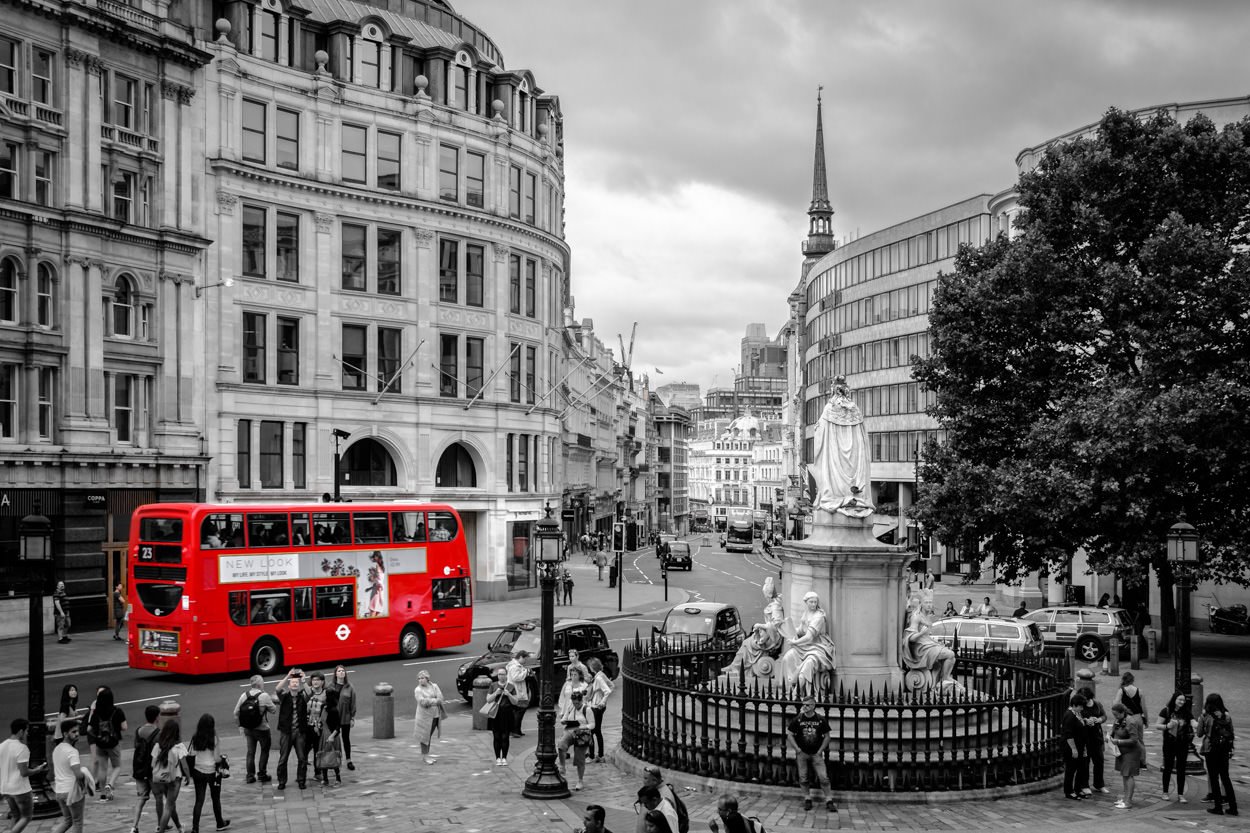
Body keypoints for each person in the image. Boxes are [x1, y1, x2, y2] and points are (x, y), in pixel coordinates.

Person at [811, 375, 872, 517]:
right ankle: (853, 497)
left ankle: (837, 496)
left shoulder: (829, 409)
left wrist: (817, 429)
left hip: (835, 455)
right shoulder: (855, 410)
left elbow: (820, 434)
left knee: (831, 474)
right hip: (855, 461)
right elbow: (863, 438)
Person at [130, 705, 176, 833]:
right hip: (152, 770)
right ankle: (160, 824)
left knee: (140, 799)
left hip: (139, 769)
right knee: (159, 797)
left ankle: (134, 826)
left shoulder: (138, 731)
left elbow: (136, 747)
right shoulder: (159, 733)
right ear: (157, 717)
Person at [780, 591, 837, 696]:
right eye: (811, 602)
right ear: (806, 602)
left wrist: (795, 642)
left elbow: (809, 637)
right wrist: (786, 628)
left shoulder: (819, 616)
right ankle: (790, 685)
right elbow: (801, 631)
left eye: (815, 602)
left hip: (819, 647)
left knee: (809, 663)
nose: (813, 604)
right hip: (806, 646)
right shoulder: (806, 614)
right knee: (788, 657)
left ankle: (796, 692)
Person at [787, 695, 836, 812]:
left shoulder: (820, 719)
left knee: (823, 778)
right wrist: (797, 749)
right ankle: (807, 798)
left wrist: (820, 751)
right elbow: (789, 734)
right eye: (803, 705)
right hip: (802, 753)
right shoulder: (798, 719)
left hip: (816, 753)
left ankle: (829, 800)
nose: (805, 707)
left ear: (813, 706)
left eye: (807, 705)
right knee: (803, 778)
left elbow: (827, 736)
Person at [2, 718, 47, 833]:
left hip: (5, 788)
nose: (27, 733)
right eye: (26, 731)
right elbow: (24, 772)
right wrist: (37, 770)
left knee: (16, 815)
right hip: (20, 789)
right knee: (26, 816)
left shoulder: (1, 746)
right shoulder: (22, 748)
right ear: (21, 731)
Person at [901, 594, 956, 688]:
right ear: (921, 604)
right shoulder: (916, 617)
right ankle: (945, 678)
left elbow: (926, 636)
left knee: (951, 657)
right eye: (926, 602)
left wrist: (934, 642)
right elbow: (910, 638)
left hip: (927, 644)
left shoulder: (926, 616)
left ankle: (941, 680)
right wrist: (921, 633)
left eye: (930, 602)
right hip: (920, 649)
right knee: (950, 654)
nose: (929, 605)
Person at [186, 713, 229, 832]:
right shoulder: (213, 737)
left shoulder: (195, 737)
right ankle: (219, 823)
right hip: (212, 772)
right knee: (215, 799)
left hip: (198, 771)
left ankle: (195, 828)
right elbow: (216, 759)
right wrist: (223, 758)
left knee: (199, 800)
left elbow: (191, 754)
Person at [1196, 692, 1237, 816]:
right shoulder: (1226, 715)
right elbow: (1231, 732)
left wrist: (1200, 722)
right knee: (1226, 777)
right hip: (1224, 749)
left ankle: (1218, 807)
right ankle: (1233, 807)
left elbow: (1199, 733)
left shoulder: (1205, 716)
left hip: (1211, 749)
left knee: (1214, 778)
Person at [233, 675, 275, 784]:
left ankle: (250, 776)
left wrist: (240, 727)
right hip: (262, 729)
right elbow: (273, 710)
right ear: (260, 684)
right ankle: (262, 774)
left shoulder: (244, 695)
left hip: (248, 729)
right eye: (263, 681)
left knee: (250, 752)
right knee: (264, 751)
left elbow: (236, 713)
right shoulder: (264, 695)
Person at [86, 684, 126, 801]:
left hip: (100, 744)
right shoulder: (117, 711)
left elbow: (89, 729)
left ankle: (103, 794)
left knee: (103, 768)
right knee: (117, 766)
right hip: (114, 742)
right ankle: (111, 785)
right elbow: (124, 727)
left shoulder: (96, 713)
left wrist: (97, 736)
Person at [50, 720, 90, 833]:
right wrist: (85, 775)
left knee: (68, 821)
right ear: (65, 734)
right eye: (73, 732)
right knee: (77, 822)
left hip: (59, 791)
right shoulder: (72, 751)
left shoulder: (56, 749)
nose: (77, 734)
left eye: (77, 731)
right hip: (72, 791)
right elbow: (78, 774)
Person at [148, 718, 187, 833]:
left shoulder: (158, 745)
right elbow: (184, 766)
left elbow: (152, 764)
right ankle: (161, 830)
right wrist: (188, 777)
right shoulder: (179, 746)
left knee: (170, 805)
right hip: (174, 779)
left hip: (160, 779)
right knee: (169, 806)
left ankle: (179, 826)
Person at [1156, 690, 1194, 802]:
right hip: (1169, 744)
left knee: (1181, 769)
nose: (1182, 702)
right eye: (1179, 699)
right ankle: (1165, 792)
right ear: (1174, 699)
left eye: (1183, 700)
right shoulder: (1166, 711)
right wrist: (1167, 726)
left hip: (1183, 744)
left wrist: (1198, 724)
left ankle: (1181, 794)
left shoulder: (1186, 712)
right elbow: (1158, 725)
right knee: (1167, 767)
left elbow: (1193, 722)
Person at [274, 669, 309, 791]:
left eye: (296, 682)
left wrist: (303, 680)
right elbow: (277, 689)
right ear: (289, 686)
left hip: (299, 732)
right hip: (286, 732)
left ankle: (301, 780)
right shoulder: (284, 697)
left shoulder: (302, 697)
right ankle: (282, 781)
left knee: (302, 758)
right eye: (292, 682)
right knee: (283, 758)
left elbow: (309, 693)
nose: (295, 684)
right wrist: (287, 675)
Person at [556, 689, 594, 791]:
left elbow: (592, 725)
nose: (575, 705)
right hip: (570, 731)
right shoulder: (571, 707)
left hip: (582, 735)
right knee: (561, 745)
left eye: (577, 703)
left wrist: (581, 727)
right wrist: (564, 721)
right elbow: (564, 718)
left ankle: (580, 780)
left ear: (581, 701)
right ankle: (562, 767)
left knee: (579, 759)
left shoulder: (587, 709)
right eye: (574, 703)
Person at [1108, 702, 1143, 809]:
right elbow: (1113, 732)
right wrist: (1109, 736)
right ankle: (1125, 798)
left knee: (1129, 775)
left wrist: (1118, 741)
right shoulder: (1118, 720)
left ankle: (1128, 802)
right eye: (1114, 715)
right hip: (1122, 752)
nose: (1115, 717)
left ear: (1122, 712)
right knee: (1124, 775)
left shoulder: (1130, 721)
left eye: (1116, 715)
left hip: (1131, 752)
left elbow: (1134, 739)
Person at [310, 681, 342, 786]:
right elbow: (321, 720)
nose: (323, 696)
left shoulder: (333, 710)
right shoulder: (324, 707)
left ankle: (338, 778)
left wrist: (332, 736)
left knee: (332, 755)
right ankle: (325, 778)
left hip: (331, 736)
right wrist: (317, 727)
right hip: (324, 734)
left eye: (326, 695)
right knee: (323, 755)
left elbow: (338, 726)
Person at [1079, 686, 1109, 795]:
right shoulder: (1080, 705)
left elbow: (1104, 716)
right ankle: (1084, 785)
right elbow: (1076, 718)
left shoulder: (1097, 704)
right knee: (1085, 762)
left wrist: (1098, 720)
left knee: (1099, 761)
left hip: (1096, 736)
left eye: (1086, 699)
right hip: (1085, 737)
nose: (1085, 701)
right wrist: (1085, 721)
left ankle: (1099, 784)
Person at [327, 665, 357, 771]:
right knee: (333, 738)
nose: (341, 673)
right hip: (333, 718)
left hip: (345, 717)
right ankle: (333, 759)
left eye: (343, 671)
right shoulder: (330, 686)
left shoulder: (349, 687)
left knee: (345, 739)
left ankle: (349, 760)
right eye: (339, 671)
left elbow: (353, 703)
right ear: (335, 674)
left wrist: (352, 718)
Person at [485, 668, 517, 766]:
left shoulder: (511, 686)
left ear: (506, 675)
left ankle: (504, 758)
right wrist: (496, 693)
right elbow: (488, 700)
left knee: (505, 736)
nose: (501, 676)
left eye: (503, 674)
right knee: (497, 736)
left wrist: (508, 694)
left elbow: (516, 701)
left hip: (507, 714)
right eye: (499, 674)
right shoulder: (493, 685)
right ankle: (498, 757)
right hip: (495, 714)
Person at [413, 670, 445, 765]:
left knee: (429, 736)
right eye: (419, 678)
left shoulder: (434, 686)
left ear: (427, 678)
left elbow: (441, 698)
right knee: (424, 737)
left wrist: (431, 701)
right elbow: (422, 702)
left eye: (422, 678)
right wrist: (435, 701)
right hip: (424, 717)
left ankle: (427, 754)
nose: (420, 680)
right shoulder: (418, 690)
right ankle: (425, 756)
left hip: (435, 715)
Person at [1061, 693, 1088, 799]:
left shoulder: (1077, 714)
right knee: (1071, 769)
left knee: (1081, 768)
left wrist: (1085, 721)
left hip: (1080, 745)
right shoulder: (1070, 715)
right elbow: (1068, 734)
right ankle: (1069, 791)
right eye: (1080, 706)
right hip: (1071, 747)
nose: (1082, 708)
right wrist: (1074, 749)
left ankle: (1078, 789)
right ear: (1075, 705)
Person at [587, 657, 614, 763]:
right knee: (597, 731)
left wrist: (602, 701)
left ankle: (592, 755)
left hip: (596, 707)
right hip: (599, 707)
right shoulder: (601, 675)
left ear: (592, 668)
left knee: (590, 732)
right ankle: (600, 755)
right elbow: (612, 685)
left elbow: (607, 690)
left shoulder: (598, 678)